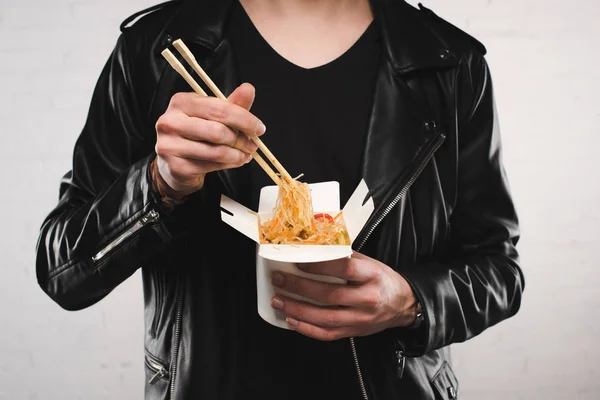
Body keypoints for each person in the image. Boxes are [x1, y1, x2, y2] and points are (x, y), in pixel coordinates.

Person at [35, 0, 525, 399]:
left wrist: (412, 302)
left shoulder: (447, 63)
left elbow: (499, 270)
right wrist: (159, 184)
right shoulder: (154, 49)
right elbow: (63, 272)